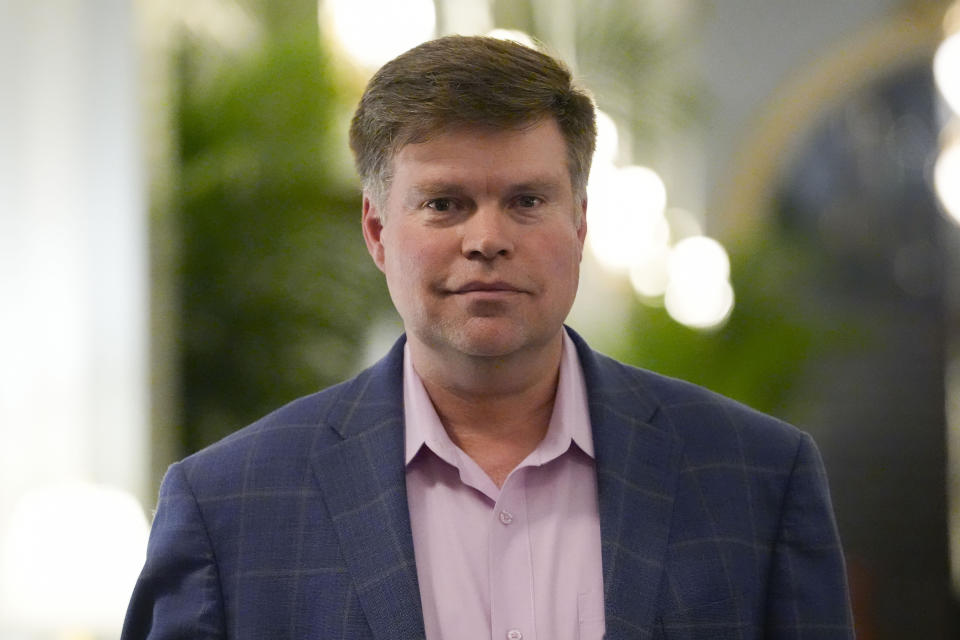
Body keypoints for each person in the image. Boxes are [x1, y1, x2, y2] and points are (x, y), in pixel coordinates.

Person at [122, 35, 853, 639]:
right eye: (445, 203)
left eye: (527, 200)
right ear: (378, 232)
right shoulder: (231, 508)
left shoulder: (756, 477)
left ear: (581, 222)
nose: (487, 239)